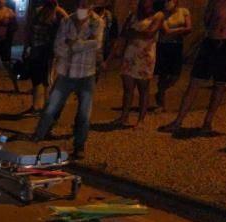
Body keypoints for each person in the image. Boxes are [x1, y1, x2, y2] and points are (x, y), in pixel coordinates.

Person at [159, 0, 226, 134]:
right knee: (195, 81)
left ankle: (207, 122)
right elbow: (208, 18)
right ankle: (178, 120)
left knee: (220, 84)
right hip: (212, 41)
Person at [33, 0, 104, 160]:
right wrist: (81, 45)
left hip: (86, 73)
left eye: (85, 5)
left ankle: (79, 146)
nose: (82, 8)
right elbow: (58, 46)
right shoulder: (66, 21)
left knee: (84, 114)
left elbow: (97, 44)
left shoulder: (97, 22)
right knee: (50, 108)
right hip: (65, 72)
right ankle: (38, 136)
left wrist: (72, 44)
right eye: (80, 5)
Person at [109, 0, 164, 127]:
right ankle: (124, 117)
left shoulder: (158, 15)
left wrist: (133, 33)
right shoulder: (133, 15)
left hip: (145, 56)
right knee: (128, 88)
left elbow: (150, 34)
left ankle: (141, 120)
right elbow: (123, 34)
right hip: (130, 54)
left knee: (143, 88)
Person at [22, 0, 68, 114]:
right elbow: (30, 29)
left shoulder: (59, 13)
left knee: (47, 80)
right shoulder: (38, 12)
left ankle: (48, 107)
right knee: (36, 79)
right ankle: (36, 106)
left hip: (48, 51)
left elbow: (68, 29)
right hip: (36, 49)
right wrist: (26, 47)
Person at [154, 0, 192, 112]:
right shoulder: (162, 14)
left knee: (175, 75)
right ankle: (161, 103)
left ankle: (161, 92)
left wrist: (176, 31)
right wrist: (181, 29)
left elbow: (189, 28)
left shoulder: (184, 11)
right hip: (164, 45)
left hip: (177, 46)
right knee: (163, 74)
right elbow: (166, 31)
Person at [0, 0, 19, 93]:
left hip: (5, 42)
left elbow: (15, 27)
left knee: (7, 64)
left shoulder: (9, 12)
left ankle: (16, 86)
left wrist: (6, 28)